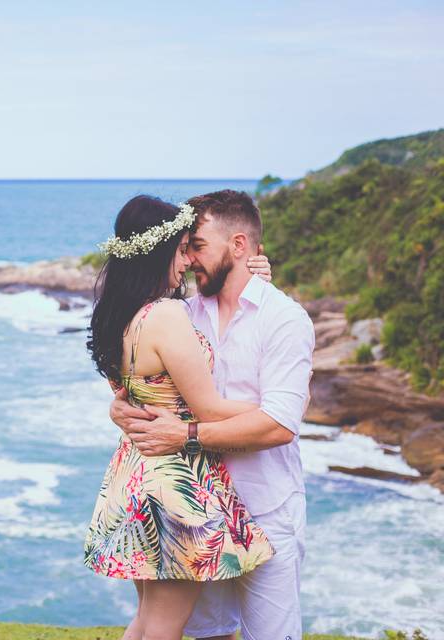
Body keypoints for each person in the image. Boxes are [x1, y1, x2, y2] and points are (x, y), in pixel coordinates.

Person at [109, 189, 315, 640]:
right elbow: (151, 381)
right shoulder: (182, 313)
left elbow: (280, 426)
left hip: (266, 506)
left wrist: (184, 435)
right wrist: (121, 406)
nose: (188, 259)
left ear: (238, 246)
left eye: (196, 246)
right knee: (205, 634)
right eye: (184, 248)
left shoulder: (283, 319)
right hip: (199, 507)